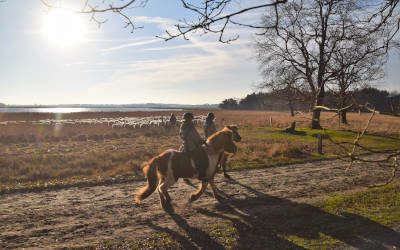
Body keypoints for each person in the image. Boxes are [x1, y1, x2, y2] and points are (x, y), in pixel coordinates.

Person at [179, 112, 209, 181]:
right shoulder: (190, 125)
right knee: (202, 156)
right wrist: (202, 141)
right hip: (191, 145)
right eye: (191, 118)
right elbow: (195, 136)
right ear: (190, 118)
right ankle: (201, 174)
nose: (192, 119)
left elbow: (181, 135)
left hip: (184, 144)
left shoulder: (182, 125)